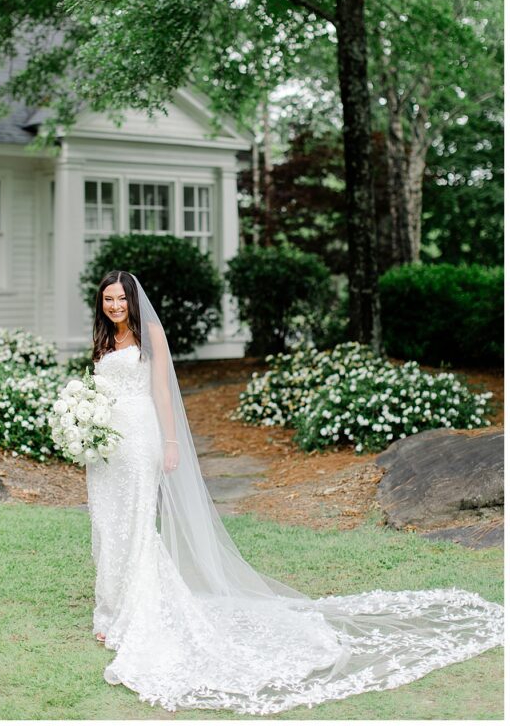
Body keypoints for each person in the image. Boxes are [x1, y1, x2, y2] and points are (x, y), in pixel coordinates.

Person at [85, 269, 503, 715]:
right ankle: (110, 609)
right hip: (107, 447)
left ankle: (135, 612)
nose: (114, 306)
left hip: (142, 440)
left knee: (135, 522)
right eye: (108, 300)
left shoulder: (150, 334)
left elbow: (163, 395)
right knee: (110, 523)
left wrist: (170, 442)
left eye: (120, 299)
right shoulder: (104, 341)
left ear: (132, 300)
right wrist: (84, 428)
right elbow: (98, 395)